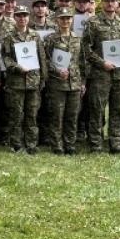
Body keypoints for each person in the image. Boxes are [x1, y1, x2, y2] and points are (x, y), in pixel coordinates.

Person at [81, 0, 120, 154]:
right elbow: (86, 49)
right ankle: (96, 143)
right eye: (107, 1)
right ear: (102, 3)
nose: (110, 4)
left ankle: (115, 143)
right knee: (97, 110)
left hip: (119, 75)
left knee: (119, 110)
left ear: (118, 4)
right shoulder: (93, 22)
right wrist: (102, 63)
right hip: (99, 75)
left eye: (113, 1)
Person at [40, 8, 85, 156]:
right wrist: (56, 70)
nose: (65, 21)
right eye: (62, 18)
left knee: (72, 115)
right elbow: (45, 59)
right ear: (57, 20)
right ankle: (57, 144)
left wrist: (83, 82)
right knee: (57, 115)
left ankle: (70, 144)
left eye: (68, 18)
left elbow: (83, 62)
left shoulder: (78, 38)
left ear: (71, 20)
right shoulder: (50, 39)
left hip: (75, 83)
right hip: (57, 83)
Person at [1, 5, 44, 154]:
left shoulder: (35, 36)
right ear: (15, 18)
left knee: (32, 114)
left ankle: (31, 144)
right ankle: (16, 144)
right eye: (19, 15)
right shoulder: (9, 37)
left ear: (28, 17)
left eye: (25, 15)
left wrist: (43, 78)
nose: (22, 18)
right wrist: (17, 67)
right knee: (16, 114)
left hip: (33, 81)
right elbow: (5, 57)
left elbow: (42, 57)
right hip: (16, 82)